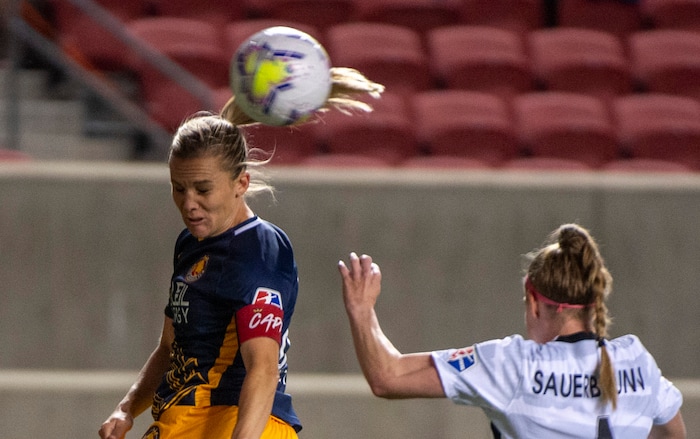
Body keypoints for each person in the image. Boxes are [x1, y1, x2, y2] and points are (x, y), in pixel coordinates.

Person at [99, 67, 384, 439]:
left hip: (234, 423)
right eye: (178, 188)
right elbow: (170, 347)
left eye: (203, 189)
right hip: (183, 423)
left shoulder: (259, 250)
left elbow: (262, 369)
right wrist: (126, 408)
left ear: (241, 184)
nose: (189, 203)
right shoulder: (190, 244)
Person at [338, 224, 686, 438]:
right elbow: (673, 433)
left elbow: (388, 376)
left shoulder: (512, 364)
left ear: (533, 300)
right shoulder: (636, 360)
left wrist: (361, 309)